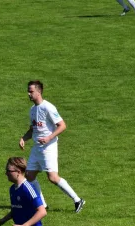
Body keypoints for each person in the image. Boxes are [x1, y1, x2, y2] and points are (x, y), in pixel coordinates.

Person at [19, 80, 85, 213]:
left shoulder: (48, 107)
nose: (28, 94)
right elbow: (33, 129)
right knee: (29, 176)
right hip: (37, 148)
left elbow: (62, 125)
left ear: (39, 92)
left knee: (53, 177)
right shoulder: (33, 110)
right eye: (28, 91)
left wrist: (49, 137)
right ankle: (42, 205)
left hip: (48, 147)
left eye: (31, 91)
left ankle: (78, 200)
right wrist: (23, 139)